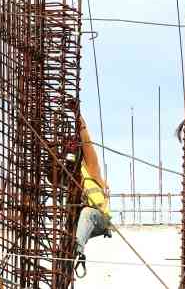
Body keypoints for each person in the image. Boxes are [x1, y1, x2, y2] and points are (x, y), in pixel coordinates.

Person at [74, 117, 112, 278]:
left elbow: (87, 143)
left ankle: (78, 247)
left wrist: (79, 120)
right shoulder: (71, 179)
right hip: (85, 224)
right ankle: (73, 247)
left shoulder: (90, 168)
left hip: (100, 218)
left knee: (87, 213)